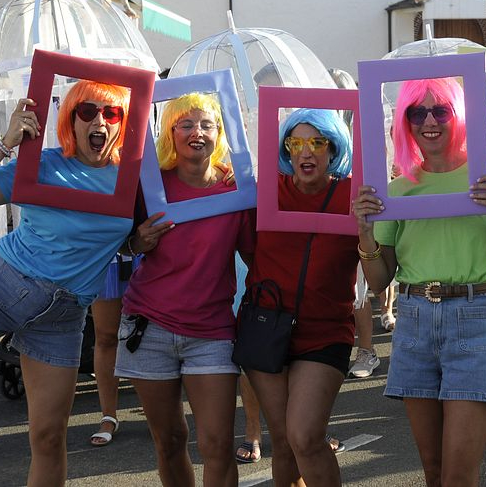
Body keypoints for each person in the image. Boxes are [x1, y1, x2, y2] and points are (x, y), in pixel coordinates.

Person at [0, 80, 137, 486]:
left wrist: (138, 238)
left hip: (61, 315)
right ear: (71, 119)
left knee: (47, 435)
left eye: (111, 113)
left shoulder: (131, 179)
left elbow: (125, 232)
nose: (100, 121)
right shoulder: (44, 164)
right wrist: (6, 142)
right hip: (3, 283)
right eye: (88, 111)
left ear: (123, 122)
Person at [353, 77, 486, 486]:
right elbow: (380, 277)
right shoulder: (398, 189)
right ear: (405, 122)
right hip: (415, 320)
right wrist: (365, 232)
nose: (429, 121)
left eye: (441, 110)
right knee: (435, 472)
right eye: (417, 112)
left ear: (460, 115)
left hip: (479, 317)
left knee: (458, 473)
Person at [114, 92, 254, 486]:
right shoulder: (150, 186)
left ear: (220, 133)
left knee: (218, 444)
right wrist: (138, 242)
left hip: (210, 331)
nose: (197, 132)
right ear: (170, 133)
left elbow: (259, 256)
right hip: (149, 327)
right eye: (186, 124)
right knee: (170, 440)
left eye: (206, 124)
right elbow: (122, 243)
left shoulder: (236, 190)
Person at [243, 108, 358, 487]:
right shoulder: (265, 192)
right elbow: (249, 250)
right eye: (296, 143)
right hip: (267, 328)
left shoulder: (353, 194)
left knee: (305, 436)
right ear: (286, 149)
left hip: (325, 333)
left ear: (334, 147)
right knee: (283, 441)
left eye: (317, 142)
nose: (306, 152)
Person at [89, 254, 137, 447]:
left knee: (150, 333)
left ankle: (155, 411)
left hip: (146, 250)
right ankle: (108, 417)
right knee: (106, 336)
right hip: (107, 253)